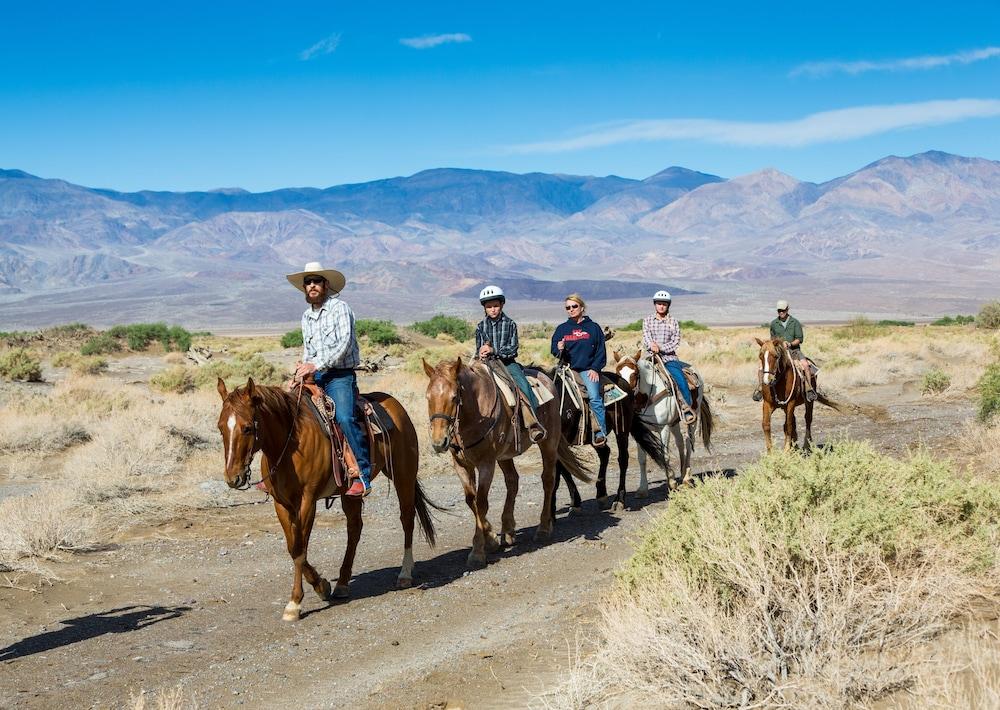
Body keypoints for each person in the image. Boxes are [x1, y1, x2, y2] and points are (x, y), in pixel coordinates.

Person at [286, 261, 372, 497]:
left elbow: (344, 345)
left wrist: (315, 365)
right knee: (287, 412)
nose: (312, 286)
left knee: (344, 416)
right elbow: (308, 348)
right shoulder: (306, 316)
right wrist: (302, 369)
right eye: (308, 282)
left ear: (326, 285)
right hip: (316, 375)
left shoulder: (340, 308)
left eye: (316, 281)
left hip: (339, 376)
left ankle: (363, 474)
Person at [474, 285, 546, 443]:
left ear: (502, 305)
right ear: (484, 308)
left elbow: (512, 349)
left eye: (495, 306)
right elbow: (478, 347)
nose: (492, 309)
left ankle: (533, 423)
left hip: (507, 363)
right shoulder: (480, 326)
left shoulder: (510, 324)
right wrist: (480, 353)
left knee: (523, 386)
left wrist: (493, 350)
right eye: (489, 307)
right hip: (486, 364)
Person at [550, 294, 608, 446]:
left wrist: (595, 369)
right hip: (567, 369)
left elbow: (601, 350)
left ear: (582, 307)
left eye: (574, 306)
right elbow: (554, 350)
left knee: (594, 397)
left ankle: (599, 432)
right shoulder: (562, 329)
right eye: (568, 307)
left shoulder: (593, 327)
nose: (571, 310)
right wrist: (559, 349)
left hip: (587, 370)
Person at [642, 290, 697, 424]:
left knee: (679, 378)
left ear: (668, 306)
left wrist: (660, 347)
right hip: (650, 357)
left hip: (668, 358)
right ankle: (634, 407)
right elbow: (646, 336)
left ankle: (686, 407)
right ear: (655, 305)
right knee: (634, 375)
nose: (661, 306)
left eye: (664, 304)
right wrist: (652, 345)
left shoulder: (673, 322)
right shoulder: (647, 320)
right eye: (659, 304)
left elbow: (675, 341)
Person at [753, 299, 817, 402]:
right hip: (778, 352)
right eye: (779, 310)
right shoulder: (774, 323)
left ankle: (809, 389)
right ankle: (760, 389)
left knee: (805, 365)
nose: (781, 312)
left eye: (783, 310)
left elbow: (799, 339)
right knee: (761, 367)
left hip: (794, 351)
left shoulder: (795, 322)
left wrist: (790, 343)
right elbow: (772, 339)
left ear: (787, 310)